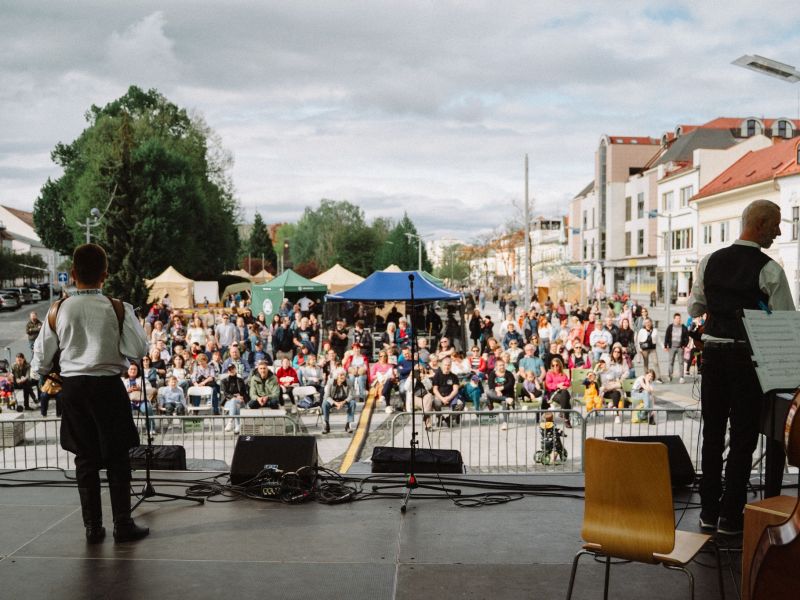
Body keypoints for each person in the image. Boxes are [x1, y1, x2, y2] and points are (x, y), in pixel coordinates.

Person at [688, 199, 795, 535]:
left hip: (714, 357)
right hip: (747, 362)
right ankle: (731, 518)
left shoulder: (709, 261)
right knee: (744, 439)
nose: (778, 232)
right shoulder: (770, 269)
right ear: (760, 224)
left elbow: (694, 306)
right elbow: (785, 324)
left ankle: (707, 511)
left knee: (713, 437)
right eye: (776, 224)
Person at [31, 243, 149, 544]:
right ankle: (123, 524)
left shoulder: (58, 309)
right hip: (108, 387)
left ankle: (93, 528)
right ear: (105, 275)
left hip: (73, 389)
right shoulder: (118, 307)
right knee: (118, 459)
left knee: (85, 460)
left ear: (72, 273)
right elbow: (137, 350)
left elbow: (41, 360)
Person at [321, 369, 356, 434]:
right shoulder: (330, 382)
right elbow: (326, 396)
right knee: (325, 403)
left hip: (344, 400)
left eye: (344, 375)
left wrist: (343, 402)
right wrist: (336, 403)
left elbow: (352, 395)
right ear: (337, 376)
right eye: (341, 375)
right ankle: (326, 424)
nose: (343, 377)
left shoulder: (349, 382)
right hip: (333, 400)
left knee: (353, 402)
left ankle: (348, 424)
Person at [221, 362, 248, 433]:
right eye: (230, 369)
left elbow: (245, 392)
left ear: (236, 369)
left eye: (233, 369)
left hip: (240, 400)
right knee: (234, 401)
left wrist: (242, 397)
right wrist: (235, 397)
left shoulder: (240, 380)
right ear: (227, 371)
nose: (231, 370)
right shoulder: (224, 381)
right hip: (228, 401)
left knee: (236, 402)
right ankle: (238, 425)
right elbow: (225, 393)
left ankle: (230, 422)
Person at [663, 313, 689, 383]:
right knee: (671, 362)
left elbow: (687, 337)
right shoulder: (670, 327)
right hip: (672, 347)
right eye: (677, 318)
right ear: (674, 319)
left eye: (679, 318)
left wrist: (684, 345)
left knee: (681, 363)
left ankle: (681, 377)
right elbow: (667, 336)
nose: (678, 319)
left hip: (680, 347)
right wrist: (665, 346)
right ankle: (669, 376)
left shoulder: (683, 327)